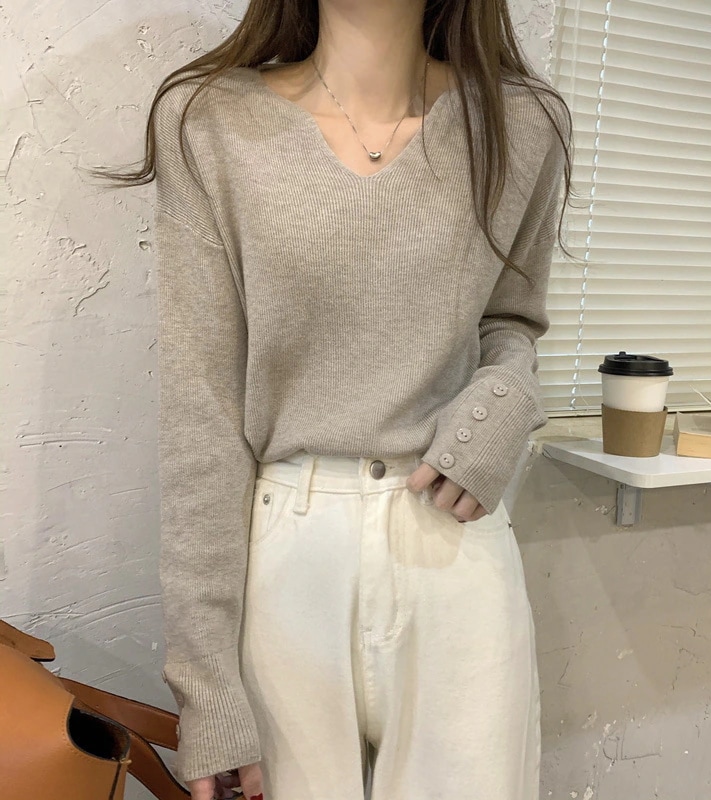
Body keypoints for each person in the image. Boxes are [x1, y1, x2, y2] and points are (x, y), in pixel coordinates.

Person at [98, 0, 571, 797]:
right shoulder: (211, 121)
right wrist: (207, 688)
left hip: (456, 549)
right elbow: (202, 414)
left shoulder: (524, 123)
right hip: (288, 559)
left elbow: (512, 322)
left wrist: (504, 400)